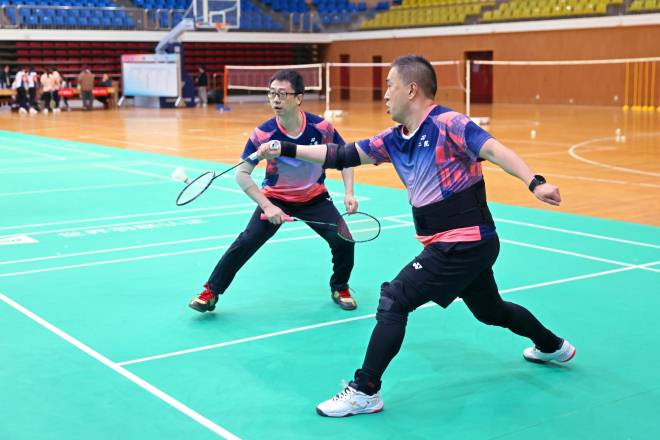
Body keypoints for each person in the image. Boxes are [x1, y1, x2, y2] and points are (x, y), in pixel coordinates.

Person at [257, 55, 576, 417]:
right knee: (490, 310)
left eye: (389, 86)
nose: (385, 95)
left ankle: (365, 391)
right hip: (463, 244)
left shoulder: (448, 124)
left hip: (462, 241)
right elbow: (341, 154)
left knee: (395, 298)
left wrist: (535, 182)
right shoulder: (395, 139)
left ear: (411, 90)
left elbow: (493, 149)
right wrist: (286, 147)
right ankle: (552, 346)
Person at [188, 69, 360, 313]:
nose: (276, 99)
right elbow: (241, 173)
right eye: (271, 94)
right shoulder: (263, 134)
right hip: (276, 198)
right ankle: (211, 291)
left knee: (344, 240)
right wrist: (268, 206)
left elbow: (345, 158)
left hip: (314, 198)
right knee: (246, 241)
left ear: (298, 98)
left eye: (282, 94)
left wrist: (349, 192)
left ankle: (340, 287)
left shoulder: (321, 128)